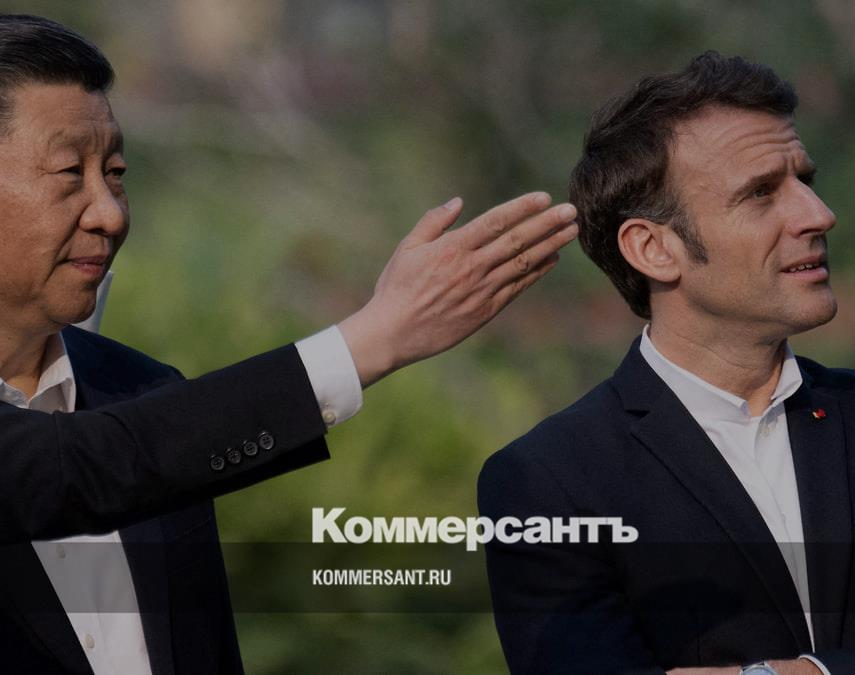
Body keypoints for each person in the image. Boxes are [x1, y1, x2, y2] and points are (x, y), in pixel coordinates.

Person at [0, 14, 576, 674]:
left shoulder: (144, 390)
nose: (109, 213)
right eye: (69, 171)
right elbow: (84, 463)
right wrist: (374, 338)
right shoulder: (142, 431)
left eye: (116, 171)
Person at [477, 52, 855, 674]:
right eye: (761, 192)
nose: (818, 215)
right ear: (653, 248)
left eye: (805, 180)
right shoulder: (548, 483)